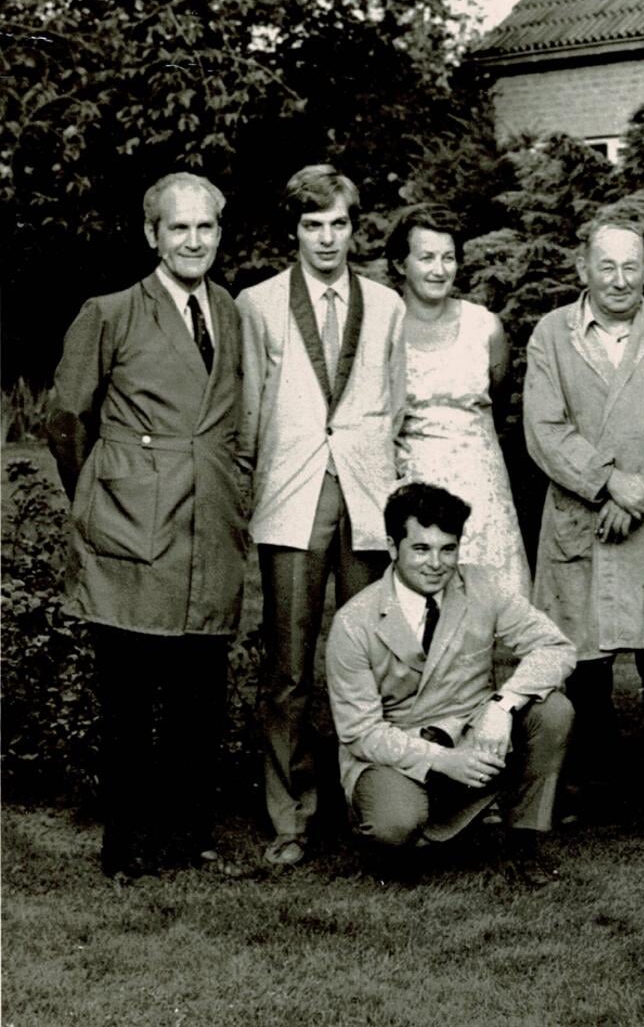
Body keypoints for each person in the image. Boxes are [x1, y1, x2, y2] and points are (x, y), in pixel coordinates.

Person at [48, 172, 249, 881]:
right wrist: (108, 494)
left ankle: (185, 837)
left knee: (199, 697)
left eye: (206, 228)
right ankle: (126, 847)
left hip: (210, 527)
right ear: (152, 235)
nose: (193, 241)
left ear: (218, 235)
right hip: (133, 532)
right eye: (179, 228)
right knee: (130, 702)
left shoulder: (229, 311)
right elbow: (68, 420)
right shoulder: (109, 313)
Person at [238, 164, 406, 867]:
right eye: (314, 225)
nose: (328, 238)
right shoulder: (259, 303)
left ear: (353, 227)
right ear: (295, 230)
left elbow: (393, 403)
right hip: (293, 494)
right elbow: (251, 404)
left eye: (339, 223)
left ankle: (370, 799)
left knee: (369, 658)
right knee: (289, 665)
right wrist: (255, 482)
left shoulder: (387, 305)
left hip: (365, 495)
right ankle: (291, 817)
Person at [523, 216, 644, 818]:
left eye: (632, 266)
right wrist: (608, 482)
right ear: (583, 270)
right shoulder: (552, 334)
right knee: (583, 661)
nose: (620, 279)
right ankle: (591, 786)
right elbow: (545, 429)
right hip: (584, 518)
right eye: (606, 265)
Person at [325, 483, 575, 884]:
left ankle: (522, 842)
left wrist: (502, 704)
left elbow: (556, 647)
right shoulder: (355, 622)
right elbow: (360, 732)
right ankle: (424, 835)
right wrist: (444, 761)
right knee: (395, 824)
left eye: (448, 549)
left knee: (553, 710)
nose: (436, 564)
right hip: (399, 751)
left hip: (474, 734)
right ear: (392, 547)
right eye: (421, 549)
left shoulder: (483, 587)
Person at [387, 204, 530, 599]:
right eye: (426, 257)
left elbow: (498, 401)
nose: (439, 269)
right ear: (401, 264)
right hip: (412, 484)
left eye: (448, 258)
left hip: (480, 487)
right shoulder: (385, 327)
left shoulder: (485, 326)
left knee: (490, 608)